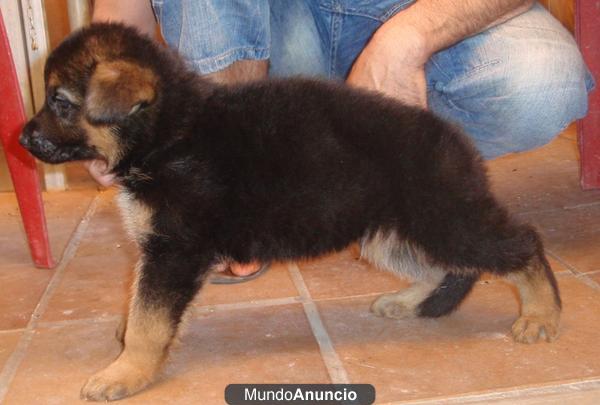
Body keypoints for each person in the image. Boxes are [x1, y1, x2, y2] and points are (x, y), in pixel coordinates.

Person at [90, 0, 594, 282]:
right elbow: (123, 13)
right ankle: (236, 199)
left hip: (422, 12)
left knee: (540, 83)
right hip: (279, 26)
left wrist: (409, 36)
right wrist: (100, 112)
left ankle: (384, 189)